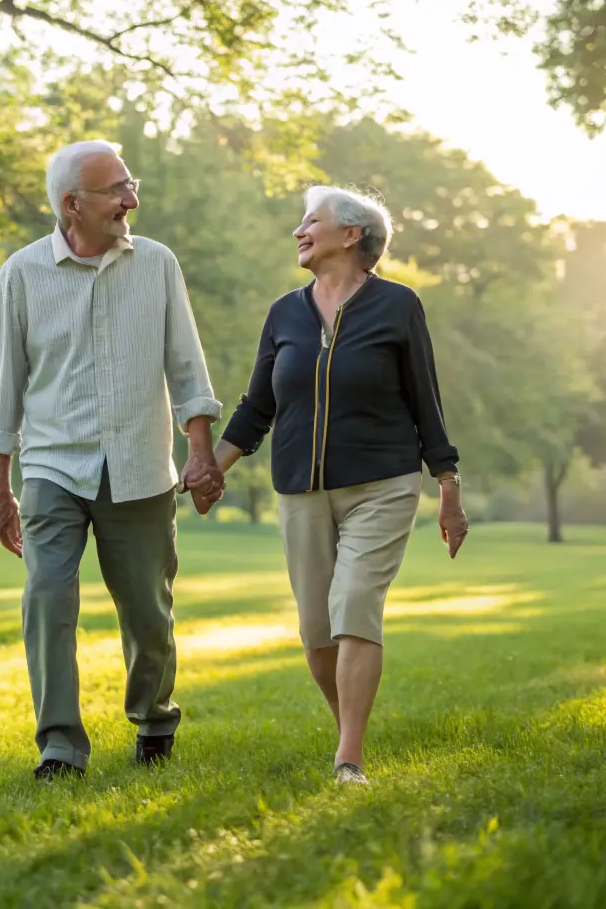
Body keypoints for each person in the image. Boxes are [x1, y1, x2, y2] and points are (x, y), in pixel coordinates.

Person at [209, 185, 468, 786]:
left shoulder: (398, 306)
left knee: (354, 605)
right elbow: (257, 407)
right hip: (301, 489)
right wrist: (206, 470)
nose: (299, 232)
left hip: (383, 482)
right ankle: (349, 724)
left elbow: (425, 400)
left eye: (311, 221)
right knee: (315, 629)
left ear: (351, 235)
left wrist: (448, 485)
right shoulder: (284, 313)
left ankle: (348, 757)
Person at [0, 139, 224, 781]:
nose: (131, 199)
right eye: (116, 190)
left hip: (141, 466)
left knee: (147, 608)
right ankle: (59, 745)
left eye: (130, 184)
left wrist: (200, 455)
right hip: (53, 466)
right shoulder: (23, 273)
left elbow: (187, 364)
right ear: (72, 205)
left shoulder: (157, 264)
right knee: (47, 601)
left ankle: (153, 717)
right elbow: (4, 388)